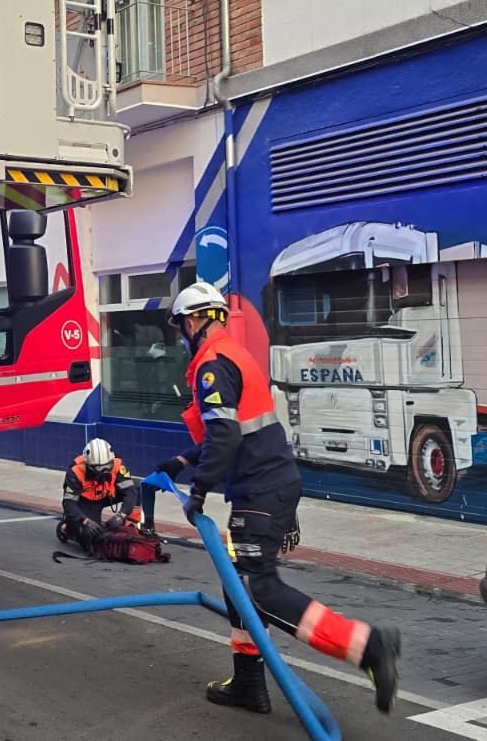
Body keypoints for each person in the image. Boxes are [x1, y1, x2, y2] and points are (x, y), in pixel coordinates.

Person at [155, 282, 401, 715]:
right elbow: (236, 428)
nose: (181, 335)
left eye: (181, 326)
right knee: (239, 591)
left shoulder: (212, 363)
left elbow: (226, 435)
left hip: (259, 489)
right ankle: (249, 684)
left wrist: (197, 490)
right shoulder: (232, 353)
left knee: (258, 589)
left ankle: (367, 646)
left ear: (192, 321)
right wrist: (181, 460)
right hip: (272, 484)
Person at [57, 438, 143, 548]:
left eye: (107, 466)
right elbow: (69, 503)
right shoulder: (75, 472)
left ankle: (133, 525)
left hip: (107, 495)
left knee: (136, 485)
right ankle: (66, 528)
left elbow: (130, 492)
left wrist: (121, 515)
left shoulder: (118, 464)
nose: (104, 471)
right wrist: (85, 521)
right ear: (89, 465)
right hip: (86, 502)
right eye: (99, 468)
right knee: (93, 538)